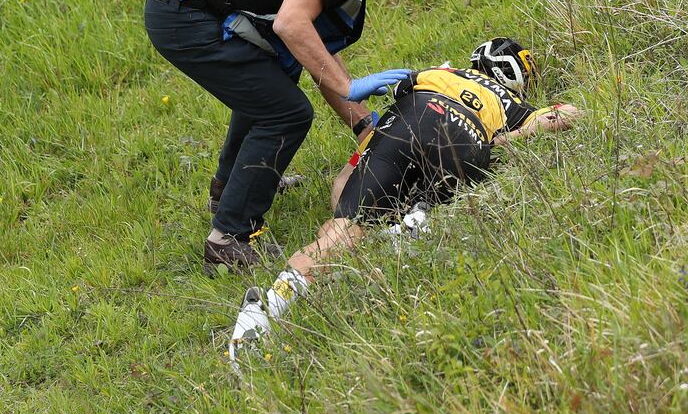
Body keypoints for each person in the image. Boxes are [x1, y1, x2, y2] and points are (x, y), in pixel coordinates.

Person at [144, 0, 467, 271]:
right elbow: (291, 24)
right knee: (286, 113)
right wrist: (348, 88)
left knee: (276, 80)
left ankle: (229, 191)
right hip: (183, 13)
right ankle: (228, 239)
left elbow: (313, 45)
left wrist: (364, 125)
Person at [227, 37, 583, 365]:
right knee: (446, 205)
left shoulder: (437, 72)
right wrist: (503, 140)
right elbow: (568, 113)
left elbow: (346, 177)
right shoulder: (514, 103)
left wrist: (351, 206)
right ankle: (412, 225)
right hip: (467, 138)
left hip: (409, 117)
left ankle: (266, 308)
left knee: (343, 227)